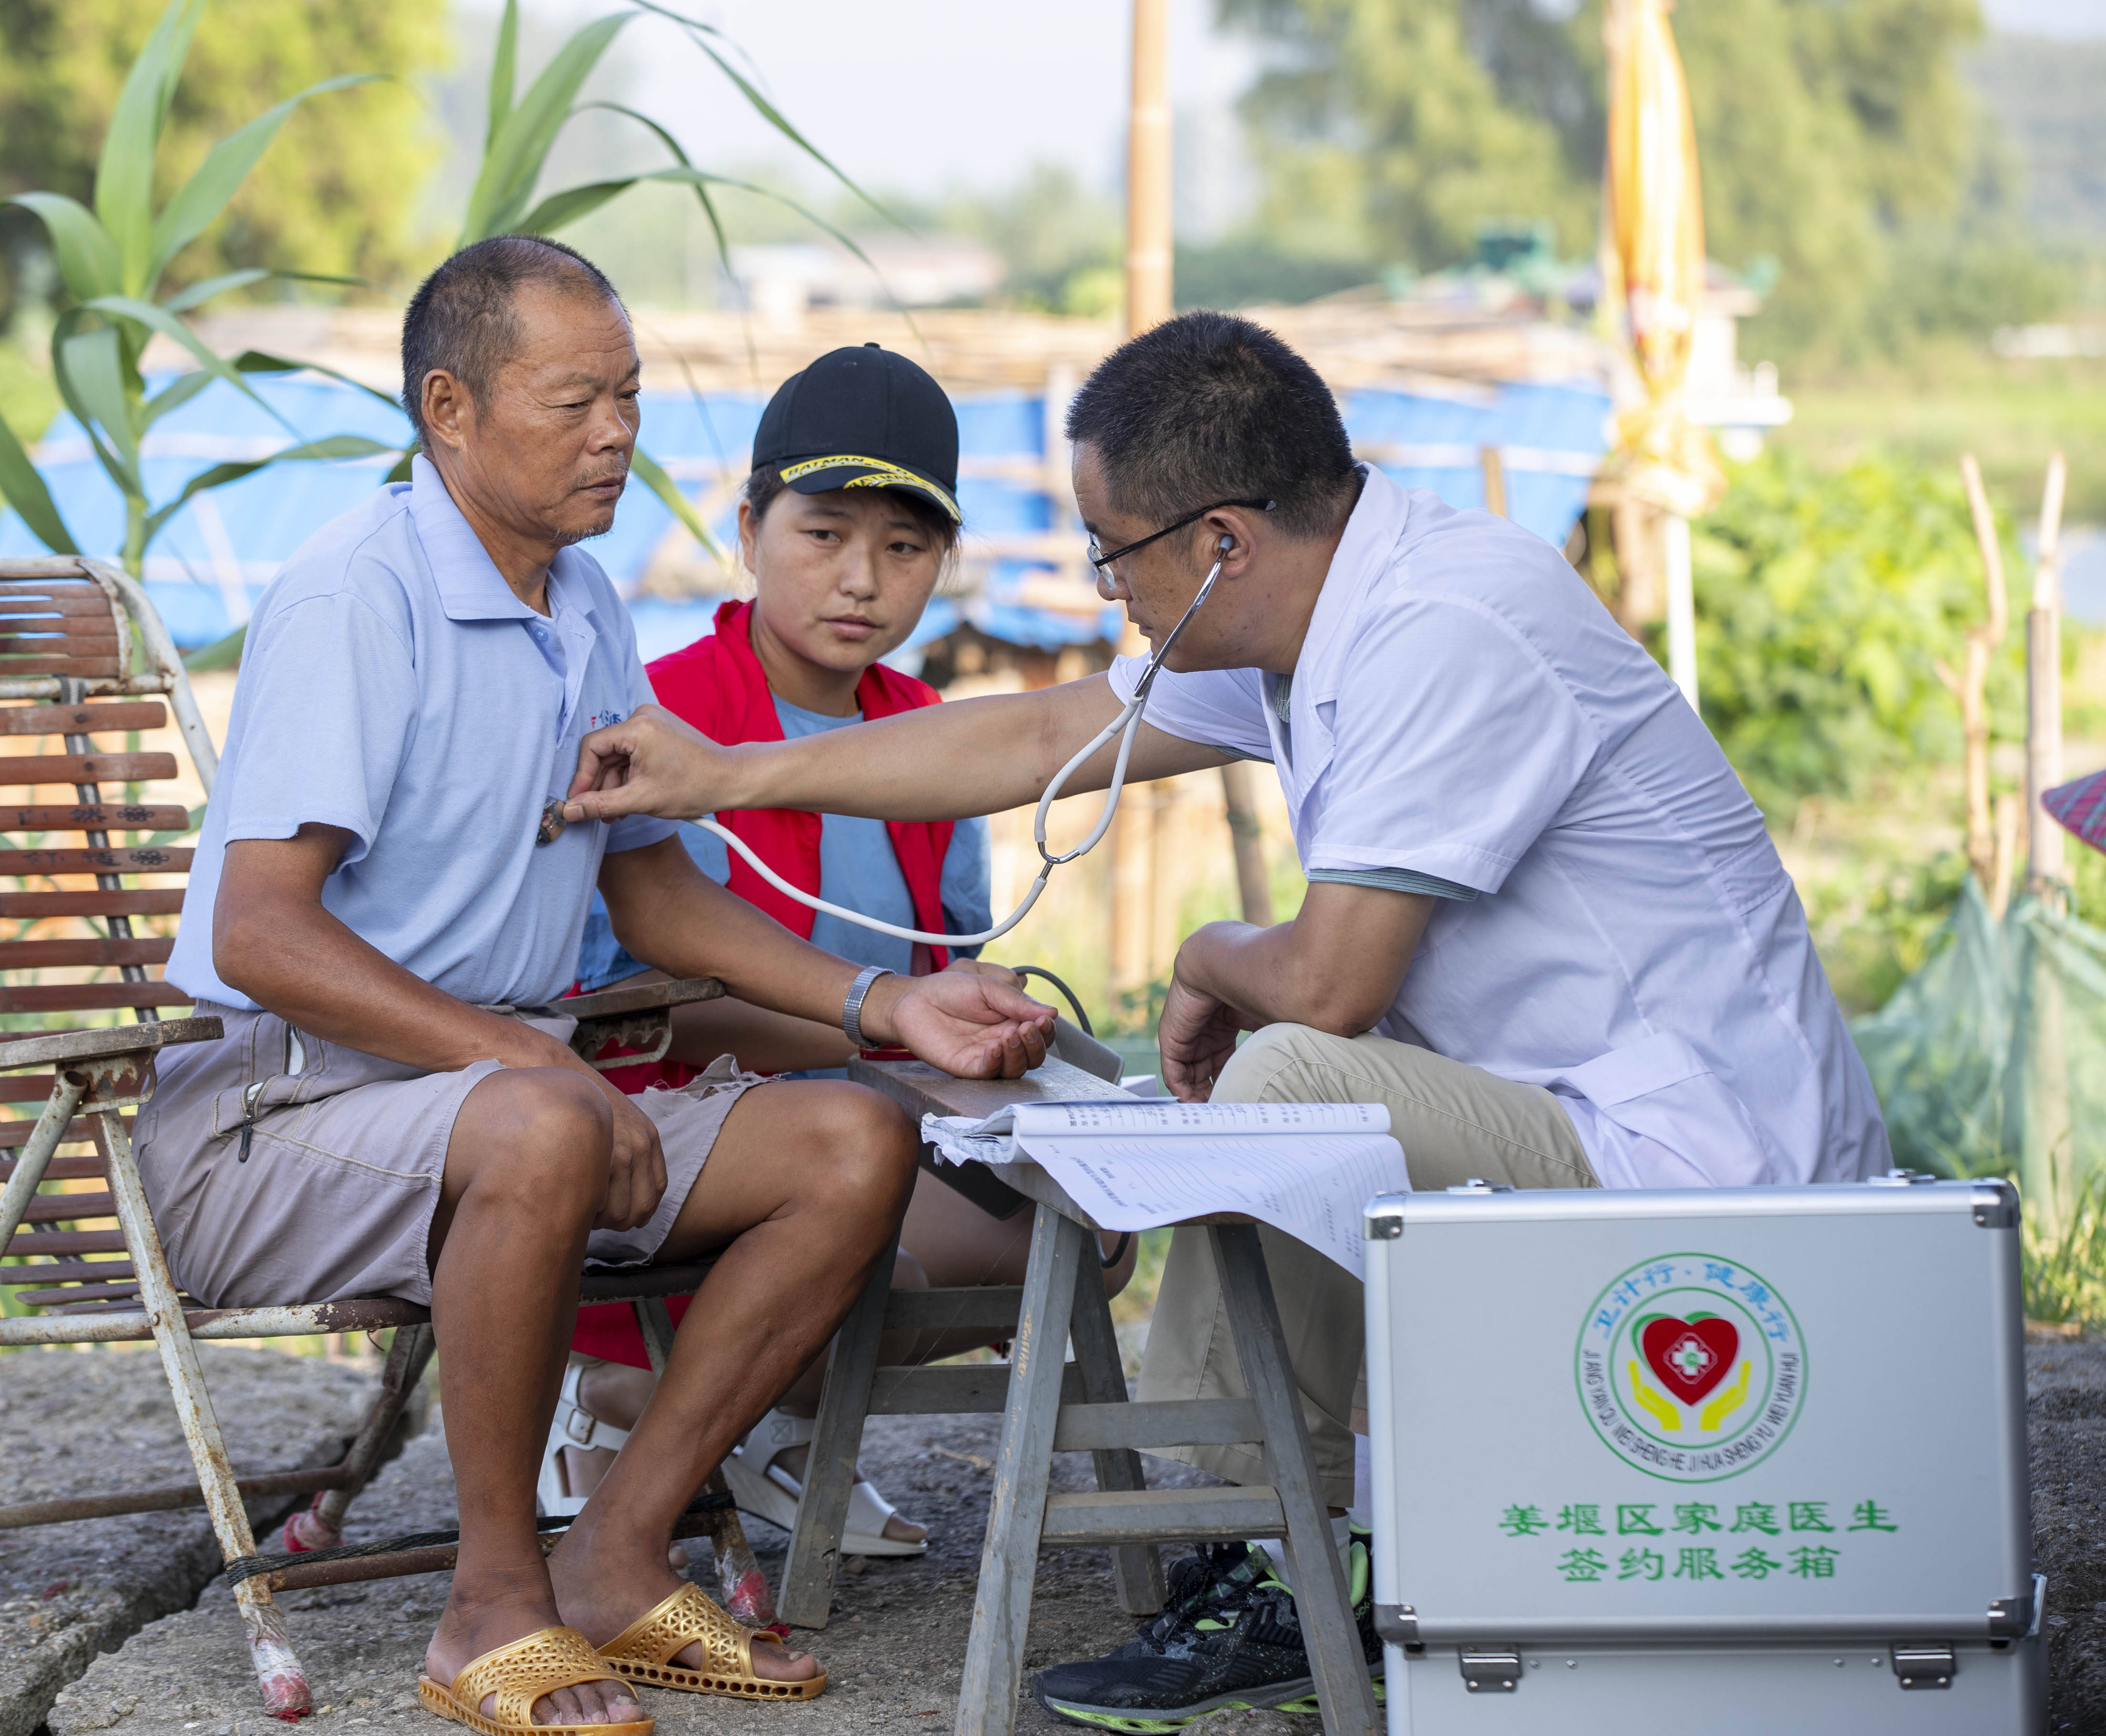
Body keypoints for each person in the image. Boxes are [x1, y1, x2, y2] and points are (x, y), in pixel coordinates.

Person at [559, 310, 1891, 1728]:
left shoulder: (1442, 631)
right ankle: (1268, 1531)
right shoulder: (1319, 606)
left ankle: (1273, 1541)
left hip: (1699, 1157)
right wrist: (729, 778)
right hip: (1569, 1110)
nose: (1105, 591)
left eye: (1110, 551)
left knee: (1296, 1076)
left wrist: (1205, 951)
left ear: (1220, 544)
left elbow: (1328, 984)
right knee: (1258, 1091)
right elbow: (1035, 736)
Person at [138, 235, 1058, 1735]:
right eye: (573, 402)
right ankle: (489, 1608)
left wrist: (886, 1010)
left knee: (855, 1142)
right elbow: (261, 936)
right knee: (543, 1120)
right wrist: (533, 1065)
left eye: (626, 396)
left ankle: (618, 1553)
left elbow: (650, 887)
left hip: (480, 1103)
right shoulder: (357, 596)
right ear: (450, 408)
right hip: (268, 1116)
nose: (617, 432)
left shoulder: (579, 603)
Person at [543, 344, 1137, 1558]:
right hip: (683, 1148)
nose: (861, 580)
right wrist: (889, 1015)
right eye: (823, 534)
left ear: (943, 564)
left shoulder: (929, 740)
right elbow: (631, 1011)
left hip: (876, 1122)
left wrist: (969, 1021)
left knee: (1097, 1231)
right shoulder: (661, 723)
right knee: (888, 1271)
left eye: (905, 549)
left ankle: (760, 1431)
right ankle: (622, 1402)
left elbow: (941, 963)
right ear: (750, 529)